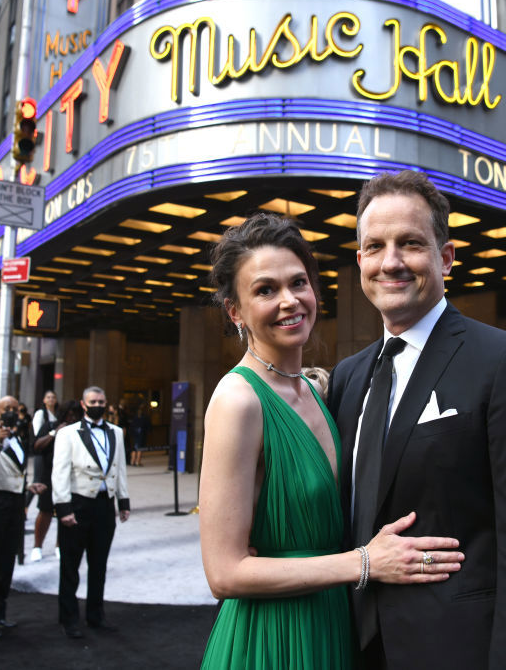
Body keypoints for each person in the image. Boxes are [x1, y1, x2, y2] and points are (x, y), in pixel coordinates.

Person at [328, 171, 506, 668]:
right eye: (375, 246)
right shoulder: (347, 378)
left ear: (446, 257)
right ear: (360, 262)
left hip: (460, 652)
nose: (391, 261)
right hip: (350, 648)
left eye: (411, 243)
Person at [199, 212, 464, 670]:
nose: (289, 301)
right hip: (272, 638)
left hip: (332, 623)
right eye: (265, 290)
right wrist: (363, 563)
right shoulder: (237, 399)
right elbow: (223, 573)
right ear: (235, 311)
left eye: (298, 283)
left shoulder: (322, 391)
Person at [52, 385, 130, 639]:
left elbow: (120, 468)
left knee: (99, 565)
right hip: (77, 504)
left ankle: (96, 616)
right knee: (70, 566)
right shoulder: (68, 434)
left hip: (104, 507)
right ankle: (69, 619)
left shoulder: (116, 433)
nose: (98, 405)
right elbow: (60, 472)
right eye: (93, 401)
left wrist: (123, 501)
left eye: (101, 401)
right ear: (83, 405)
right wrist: (63, 508)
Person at [0, 395, 45, 638]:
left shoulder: (18, 439)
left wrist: (27, 488)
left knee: (6, 561)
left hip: (13, 503)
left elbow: (15, 472)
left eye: (16, 408)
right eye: (7, 409)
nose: (12, 412)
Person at [30, 390, 59, 563]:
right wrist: (54, 433)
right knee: (45, 505)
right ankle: (37, 546)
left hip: (59, 462)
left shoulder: (58, 415)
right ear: (43, 399)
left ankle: (59, 546)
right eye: (48, 397)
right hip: (44, 461)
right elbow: (37, 439)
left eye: (53, 397)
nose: (51, 399)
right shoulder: (41, 415)